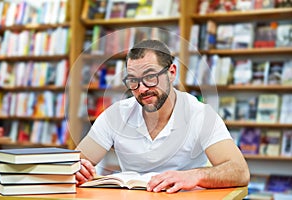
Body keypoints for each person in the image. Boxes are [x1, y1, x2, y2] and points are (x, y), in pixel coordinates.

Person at [75, 39, 250, 193]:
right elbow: (73, 164)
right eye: (133, 80)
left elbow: (240, 171)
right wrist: (77, 169)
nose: (142, 89)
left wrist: (193, 176)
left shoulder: (200, 115)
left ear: (172, 72)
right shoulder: (116, 115)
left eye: (150, 77)